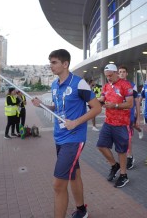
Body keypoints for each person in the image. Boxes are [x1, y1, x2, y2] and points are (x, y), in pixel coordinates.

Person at [32, 49, 101, 218]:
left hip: (74, 138)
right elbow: (58, 109)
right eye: (50, 62)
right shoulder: (55, 85)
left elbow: (97, 108)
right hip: (59, 137)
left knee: (58, 185)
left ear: (65, 64)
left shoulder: (79, 83)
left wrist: (76, 122)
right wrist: (42, 105)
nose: (51, 66)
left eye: (54, 62)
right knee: (74, 174)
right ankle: (81, 210)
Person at [97, 63, 133, 187]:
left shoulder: (126, 85)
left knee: (121, 151)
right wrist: (95, 101)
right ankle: (114, 165)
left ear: (116, 73)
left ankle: (124, 175)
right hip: (108, 122)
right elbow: (101, 99)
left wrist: (115, 105)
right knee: (101, 145)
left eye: (110, 75)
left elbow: (130, 104)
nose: (108, 78)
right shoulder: (106, 86)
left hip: (121, 123)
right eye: (106, 76)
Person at [118, 65, 142, 170]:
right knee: (120, 139)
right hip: (117, 117)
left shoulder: (132, 85)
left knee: (127, 138)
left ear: (127, 73)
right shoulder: (115, 85)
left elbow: (137, 101)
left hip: (129, 116)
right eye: (120, 72)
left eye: (124, 72)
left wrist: (138, 117)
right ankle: (123, 157)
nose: (122, 73)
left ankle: (130, 157)